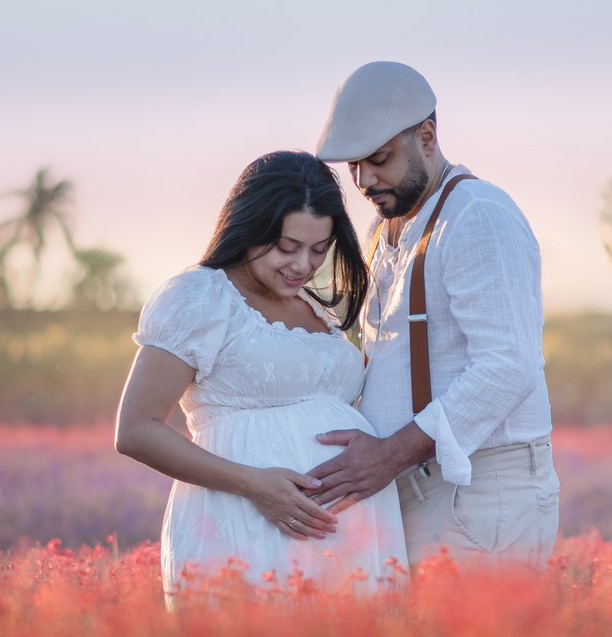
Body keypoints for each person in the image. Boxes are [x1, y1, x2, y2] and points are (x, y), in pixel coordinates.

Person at [115, 150, 408, 606]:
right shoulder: (200, 297)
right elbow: (136, 430)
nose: (303, 265)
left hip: (351, 540)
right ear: (248, 228)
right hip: (244, 520)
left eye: (319, 249)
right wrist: (257, 485)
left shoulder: (316, 309)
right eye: (287, 247)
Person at [308, 62, 560, 575]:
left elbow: (509, 364)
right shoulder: (393, 225)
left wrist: (388, 455)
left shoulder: (476, 215)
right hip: (418, 483)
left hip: (482, 490)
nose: (363, 180)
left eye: (378, 159)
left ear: (427, 136)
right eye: (353, 166)